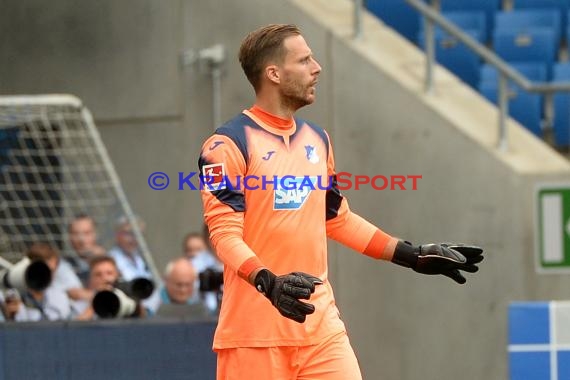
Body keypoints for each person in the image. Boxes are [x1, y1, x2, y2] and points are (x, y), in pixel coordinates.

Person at [198, 24, 484, 380]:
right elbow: (224, 235)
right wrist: (267, 281)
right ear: (274, 73)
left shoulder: (318, 140)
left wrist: (412, 255)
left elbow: (335, 218)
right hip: (254, 339)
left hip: (322, 332)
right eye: (304, 61)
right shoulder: (225, 145)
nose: (317, 67)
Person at [65, 214, 106, 286]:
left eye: (87, 233)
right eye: (76, 234)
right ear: (69, 238)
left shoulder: (111, 262)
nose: (82, 240)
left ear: (95, 235)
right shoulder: (63, 266)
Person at [108, 216, 152, 281]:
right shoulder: (111, 260)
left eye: (139, 235)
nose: (134, 239)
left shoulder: (141, 259)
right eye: (130, 234)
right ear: (117, 234)